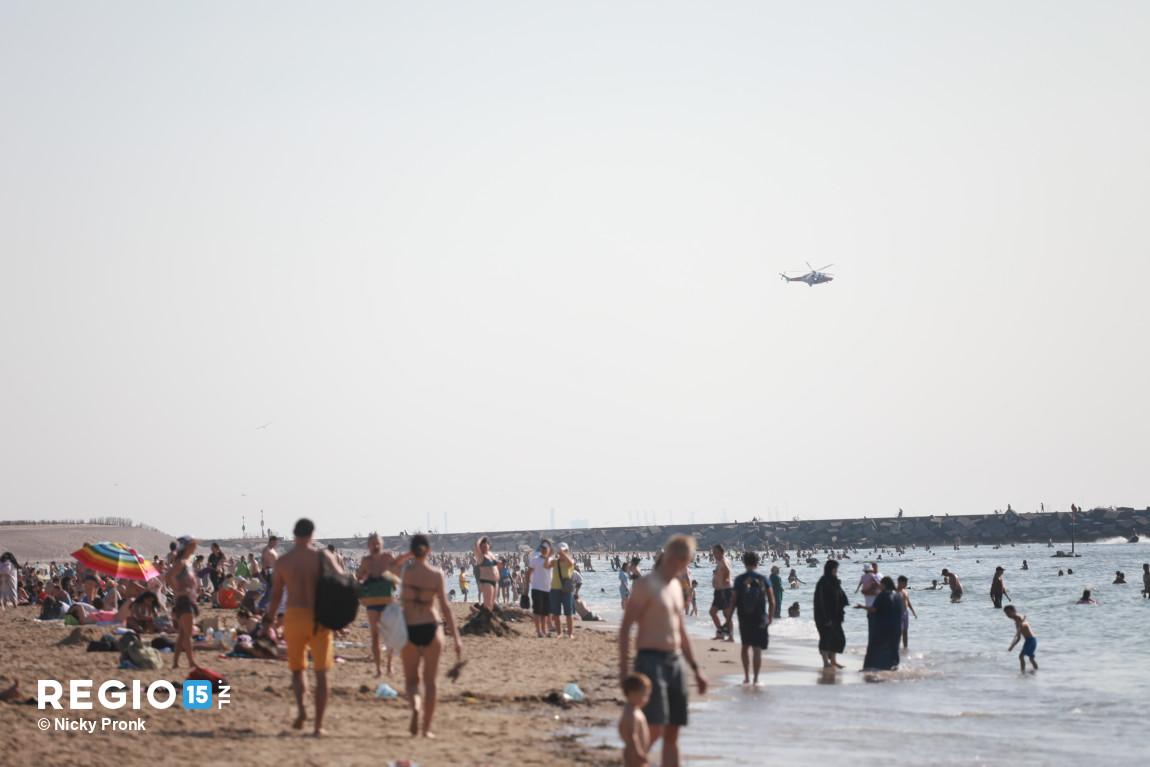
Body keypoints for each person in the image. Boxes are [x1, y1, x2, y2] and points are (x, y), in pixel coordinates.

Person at [619, 535, 707, 767]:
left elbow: (681, 633)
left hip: (675, 661)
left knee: (672, 733)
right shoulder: (646, 585)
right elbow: (625, 627)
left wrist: (696, 668)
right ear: (684, 560)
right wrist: (623, 669)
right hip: (650, 660)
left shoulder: (676, 589)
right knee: (653, 729)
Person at [261, 518, 343, 736]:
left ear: (294, 534)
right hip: (318, 617)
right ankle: (319, 726)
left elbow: (276, 596)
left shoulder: (283, 561)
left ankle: (302, 709)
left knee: (298, 670)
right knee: (322, 672)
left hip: (294, 617)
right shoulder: (322, 557)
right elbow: (342, 581)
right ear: (312, 534)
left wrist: (268, 622)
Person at [399, 534, 462, 738]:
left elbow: (388, 565)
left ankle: (415, 706)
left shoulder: (405, 572)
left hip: (409, 627)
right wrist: (457, 638)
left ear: (412, 550)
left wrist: (406, 555)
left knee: (411, 681)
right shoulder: (436, 574)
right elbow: (446, 608)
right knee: (431, 682)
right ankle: (426, 729)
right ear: (429, 551)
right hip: (431, 627)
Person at [357, 532, 410, 678]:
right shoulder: (366, 561)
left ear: (382, 544)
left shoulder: (388, 558)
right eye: (373, 543)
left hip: (388, 601)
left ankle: (389, 665)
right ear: (368, 545)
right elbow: (359, 576)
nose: (376, 545)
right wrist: (364, 581)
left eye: (378, 543)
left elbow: (399, 574)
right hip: (372, 602)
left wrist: (391, 578)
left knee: (390, 635)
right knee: (375, 634)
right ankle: (379, 669)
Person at [724, 551, 774, 685]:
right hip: (759, 617)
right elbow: (772, 601)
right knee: (756, 648)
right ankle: (756, 679)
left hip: (744, 616)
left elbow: (733, 600)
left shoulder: (740, 579)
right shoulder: (764, 579)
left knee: (745, 646)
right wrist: (770, 617)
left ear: (744, 564)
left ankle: (746, 677)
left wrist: (729, 617)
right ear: (757, 563)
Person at [165, 535, 201, 670]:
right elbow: (168, 575)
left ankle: (175, 662)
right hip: (184, 599)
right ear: (187, 546)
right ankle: (191, 662)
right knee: (187, 633)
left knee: (182, 633)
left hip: (188, 599)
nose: (195, 547)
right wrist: (176, 590)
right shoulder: (181, 562)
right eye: (193, 545)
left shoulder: (187, 562)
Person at [854, 576, 903, 671]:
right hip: (897, 628)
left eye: (881, 584)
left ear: (885, 585)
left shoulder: (883, 595)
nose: (879, 586)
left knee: (874, 647)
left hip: (884, 628)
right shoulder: (897, 596)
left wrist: (862, 607)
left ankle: (868, 667)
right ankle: (893, 666)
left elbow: (874, 609)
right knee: (894, 648)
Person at [813, 559, 848, 669]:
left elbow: (840, 595)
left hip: (836, 616)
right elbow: (822, 601)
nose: (836, 570)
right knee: (825, 639)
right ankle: (825, 663)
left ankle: (833, 661)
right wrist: (826, 618)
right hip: (824, 617)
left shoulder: (834, 580)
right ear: (830, 568)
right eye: (835, 568)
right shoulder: (823, 582)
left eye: (837, 568)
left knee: (838, 638)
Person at [619, 672, 652, 767]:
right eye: (645, 695)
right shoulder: (631, 714)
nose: (647, 699)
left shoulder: (634, 710)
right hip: (634, 755)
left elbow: (620, 728)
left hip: (635, 753)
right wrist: (639, 754)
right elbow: (632, 737)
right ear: (633, 694)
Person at [549, 542, 577, 639]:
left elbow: (571, 563)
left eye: (564, 550)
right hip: (555, 589)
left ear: (567, 551)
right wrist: (550, 552)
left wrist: (562, 553)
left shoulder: (570, 561)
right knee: (556, 613)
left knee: (569, 613)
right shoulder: (554, 562)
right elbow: (545, 565)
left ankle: (570, 634)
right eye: (560, 550)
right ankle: (559, 633)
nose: (561, 552)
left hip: (566, 590)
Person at [526, 540, 553, 637]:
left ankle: (544, 631)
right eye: (542, 548)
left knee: (545, 612)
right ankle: (539, 631)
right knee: (537, 611)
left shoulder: (550, 560)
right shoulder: (535, 559)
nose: (543, 549)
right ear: (540, 549)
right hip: (537, 588)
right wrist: (526, 589)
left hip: (547, 589)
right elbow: (528, 572)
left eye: (545, 548)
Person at [708, 544, 733, 640]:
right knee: (713, 612)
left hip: (725, 590)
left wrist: (726, 578)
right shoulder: (720, 562)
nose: (713, 554)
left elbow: (727, 570)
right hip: (719, 591)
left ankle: (730, 637)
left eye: (714, 552)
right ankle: (721, 633)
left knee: (726, 613)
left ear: (719, 552)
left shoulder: (724, 561)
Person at [1003, 605, 1038, 672]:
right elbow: (1018, 638)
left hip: (1031, 640)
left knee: (1021, 656)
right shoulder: (1016, 622)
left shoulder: (1020, 619)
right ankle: (1034, 671)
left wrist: (1022, 624)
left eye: (1009, 612)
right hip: (1029, 640)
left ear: (1014, 611)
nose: (1008, 614)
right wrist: (1012, 646)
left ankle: (1023, 671)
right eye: (1006, 613)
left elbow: (1024, 623)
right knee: (1030, 658)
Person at [474, 536, 499, 609]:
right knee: (488, 605)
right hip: (486, 581)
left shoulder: (490, 554)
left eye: (485, 546)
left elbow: (494, 567)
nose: (484, 548)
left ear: (489, 545)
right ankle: (483, 618)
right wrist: (481, 538)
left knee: (492, 604)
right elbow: (476, 545)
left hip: (495, 581)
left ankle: (490, 619)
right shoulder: (481, 556)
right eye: (482, 547)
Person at [257, 536, 279, 610]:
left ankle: (270, 604)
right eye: (275, 542)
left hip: (274, 571)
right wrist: (264, 572)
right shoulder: (266, 550)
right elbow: (263, 561)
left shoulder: (273, 550)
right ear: (271, 541)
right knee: (270, 589)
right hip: (269, 571)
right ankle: (264, 605)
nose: (276, 543)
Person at [896, 575, 917, 649]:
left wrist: (913, 612)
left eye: (906, 582)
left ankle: (905, 647)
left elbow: (908, 602)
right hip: (898, 614)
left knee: (905, 631)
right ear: (899, 582)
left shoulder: (905, 590)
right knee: (898, 632)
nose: (906, 584)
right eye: (904, 582)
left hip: (905, 613)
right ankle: (896, 647)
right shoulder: (895, 591)